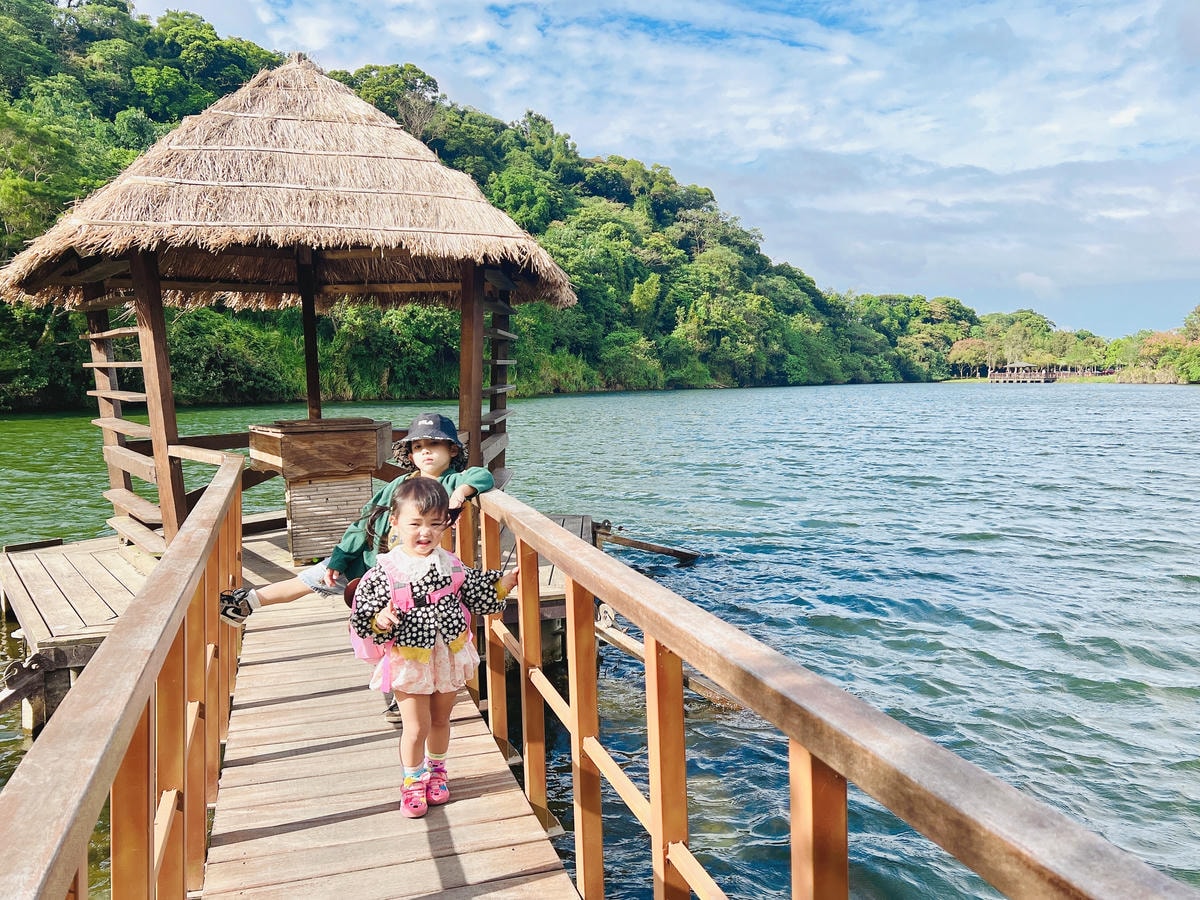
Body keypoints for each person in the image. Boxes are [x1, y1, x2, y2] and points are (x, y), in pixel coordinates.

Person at [218, 412, 494, 627]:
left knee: (389, 625)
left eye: (434, 444)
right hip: (368, 562)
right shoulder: (400, 484)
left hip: (408, 577)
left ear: (452, 450)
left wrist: (461, 492)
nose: (426, 451)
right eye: (418, 446)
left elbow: (482, 475)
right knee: (311, 578)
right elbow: (365, 520)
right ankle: (246, 602)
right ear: (410, 455)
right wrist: (340, 556)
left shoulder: (452, 481)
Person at [348, 476, 517, 818]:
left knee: (441, 719)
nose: (425, 532)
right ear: (395, 522)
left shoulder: (450, 564)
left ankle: (437, 771)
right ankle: (412, 780)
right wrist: (381, 619)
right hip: (409, 659)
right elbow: (362, 615)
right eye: (415, 524)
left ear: (445, 524)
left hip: (448, 655)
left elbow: (475, 590)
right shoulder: (385, 571)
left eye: (435, 524)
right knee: (416, 726)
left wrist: (504, 583)